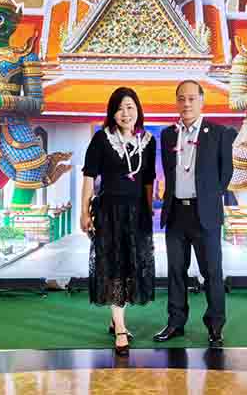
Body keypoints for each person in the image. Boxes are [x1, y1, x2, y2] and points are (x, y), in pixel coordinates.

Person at [154, 80, 235, 348]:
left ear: (202, 101)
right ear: (176, 102)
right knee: (176, 271)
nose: (186, 103)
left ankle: (215, 325)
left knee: (211, 271)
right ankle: (175, 322)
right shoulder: (168, 135)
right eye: (181, 98)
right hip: (176, 213)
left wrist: (209, 197)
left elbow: (226, 173)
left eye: (191, 98)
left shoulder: (219, 133)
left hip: (205, 214)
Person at [80, 87, 156, 355]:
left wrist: (149, 210)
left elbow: (148, 180)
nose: (125, 113)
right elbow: (89, 176)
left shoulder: (148, 141)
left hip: (137, 213)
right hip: (109, 212)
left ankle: (116, 320)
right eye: (120, 108)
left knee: (130, 267)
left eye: (130, 107)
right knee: (113, 266)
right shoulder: (102, 139)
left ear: (138, 111)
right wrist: (84, 212)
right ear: (112, 113)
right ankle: (121, 329)